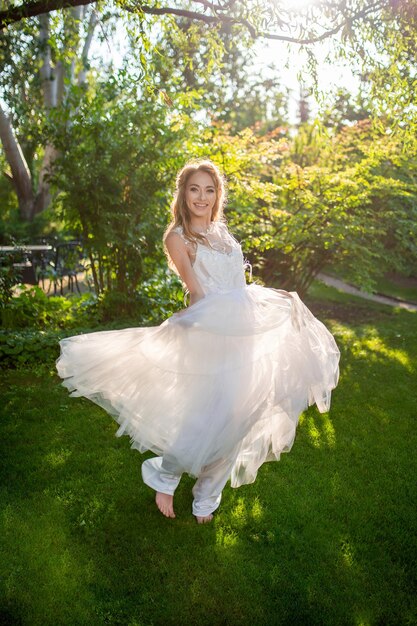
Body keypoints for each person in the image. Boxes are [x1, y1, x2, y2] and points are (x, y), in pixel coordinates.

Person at [56, 159, 340, 524]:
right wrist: (198, 323)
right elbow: (196, 290)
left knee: (243, 418)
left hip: (246, 330)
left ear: (217, 194)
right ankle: (166, 476)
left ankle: (206, 497)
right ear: (183, 193)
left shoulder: (222, 231)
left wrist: (274, 299)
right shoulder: (179, 237)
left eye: (209, 190)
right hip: (212, 331)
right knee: (205, 419)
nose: (201, 197)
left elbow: (238, 283)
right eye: (194, 189)